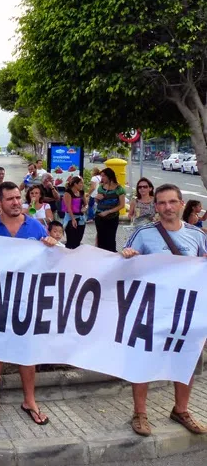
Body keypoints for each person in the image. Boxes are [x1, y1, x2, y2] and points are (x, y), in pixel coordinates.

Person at [121, 184, 207, 436]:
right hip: (151, 309)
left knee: (186, 360)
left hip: (186, 312)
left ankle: (181, 409)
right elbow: (125, 263)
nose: (167, 207)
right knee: (143, 359)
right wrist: (127, 255)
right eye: (161, 203)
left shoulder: (197, 235)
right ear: (156, 206)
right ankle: (140, 413)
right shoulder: (144, 233)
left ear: (182, 204)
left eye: (172, 202)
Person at [0, 182, 57, 425]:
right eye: (9, 198)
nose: (15, 202)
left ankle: (29, 400)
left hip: (27, 297)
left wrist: (52, 246)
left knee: (27, 349)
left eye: (17, 197)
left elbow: (51, 262)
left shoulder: (36, 226)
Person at [94, 167, 126, 252]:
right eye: (101, 176)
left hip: (112, 217)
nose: (102, 178)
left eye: (104, 176)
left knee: (110, 239)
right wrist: (96, 198)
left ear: (109, 176)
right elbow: (98, 201)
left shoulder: (119, 189)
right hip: (99, 216)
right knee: (100, 238)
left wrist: (108, 212)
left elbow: (122, 205)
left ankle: (111, 257)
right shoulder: (101, 187)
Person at [62, 176, 87, 249]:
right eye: (81, 183)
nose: (82, 185)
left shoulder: (81, 192)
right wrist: (73, 219)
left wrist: (85, 208)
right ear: (75, 184)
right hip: (71, 218)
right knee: (71, 240)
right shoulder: (68, 193)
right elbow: (68, 207)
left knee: (78, 239)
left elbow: (86, 204)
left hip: (81, 218)